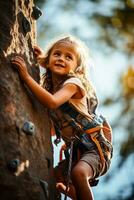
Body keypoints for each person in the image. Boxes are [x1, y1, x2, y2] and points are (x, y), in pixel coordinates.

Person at [11, 35, 113, 200]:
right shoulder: (52, 87)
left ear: (76, 67)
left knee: (79, 173)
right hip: (76, 151)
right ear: (49, 59)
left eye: (68, 57)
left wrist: (26, 76)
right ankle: (74, 192)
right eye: (57, 54)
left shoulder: (74, 84)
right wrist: (41, 60)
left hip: (95, 149)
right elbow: (52, 130)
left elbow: (51, 102)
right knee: (56, 175)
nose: (61, 59)